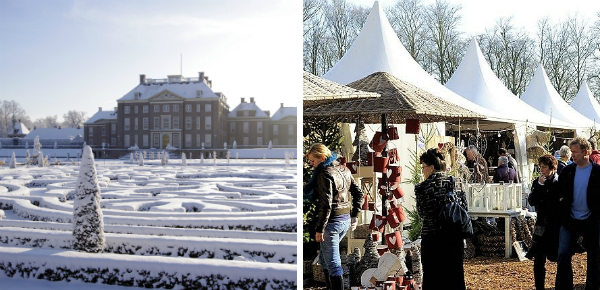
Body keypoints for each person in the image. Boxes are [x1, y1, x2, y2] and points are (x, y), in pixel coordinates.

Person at [305, 143, 363, 290]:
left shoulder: (324, 173)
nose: (311, 165)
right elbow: (359, 194)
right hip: (344, 220)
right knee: (325, 261)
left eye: (313, 161)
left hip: (331, 224)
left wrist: (320, 229)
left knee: (333, 265)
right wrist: (354, 215)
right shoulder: (344, 169)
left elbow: (326, 204)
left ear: (323, 157)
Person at [415, 148, 467, 290]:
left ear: (431, 167)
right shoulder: (456, 182)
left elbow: (422, 213)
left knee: (432, 277)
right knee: (455, 276)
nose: (423, 170)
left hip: (432, 238)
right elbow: (464, 208)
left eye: (423, 167)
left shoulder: (422, 187)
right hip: (454, 237)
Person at [555, 137, 600, 290]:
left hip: (591, 219)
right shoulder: (567, 171)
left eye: (575, 152)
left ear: (585, 152)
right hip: (569, 219)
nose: (572, 155)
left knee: (594, 257)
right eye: (571, 152)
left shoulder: (597, 172)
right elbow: (559, 193)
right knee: (563, 255)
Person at [526, 155, 560, 290]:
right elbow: (532, 201)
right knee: (539, 259)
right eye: (540, 167)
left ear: (552, 168)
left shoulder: (559, 182)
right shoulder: (538, 182)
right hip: (541, 225)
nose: (542, 170)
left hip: (555, 225)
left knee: (557, 256)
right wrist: (540, 185)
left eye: (544, 167)